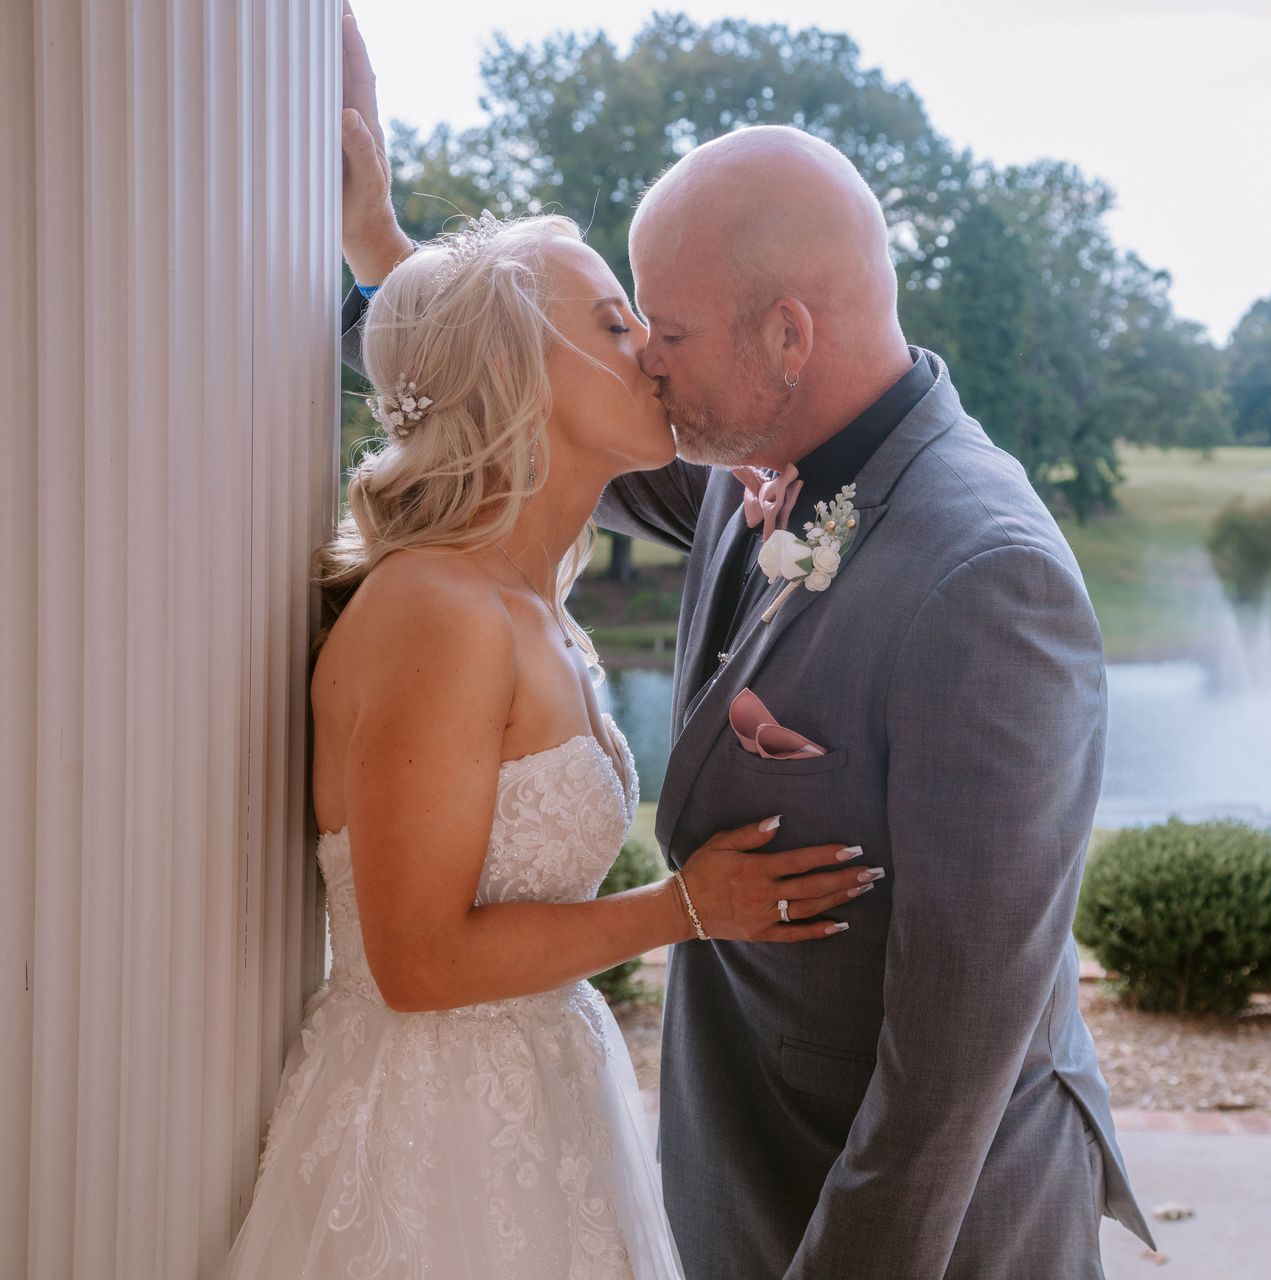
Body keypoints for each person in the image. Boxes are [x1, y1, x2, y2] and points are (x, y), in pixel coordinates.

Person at [334, 5, 1154, 1275]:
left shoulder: (988, 580)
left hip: (917, 1222)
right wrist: (379, 245)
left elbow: (955, 1058)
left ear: (787, 336)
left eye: (667, 328)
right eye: (631, 329)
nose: (648, 365)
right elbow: (507, 404)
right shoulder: (750, 460)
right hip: (741, 1170)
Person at [221, 209, 878, 1279]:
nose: (653, 353)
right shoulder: (437, 607)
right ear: (516, 369)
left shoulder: (537, 608)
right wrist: (686, 908)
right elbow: (415, 961)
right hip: (432, 1144)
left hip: (550, 1105)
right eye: (618, 325)